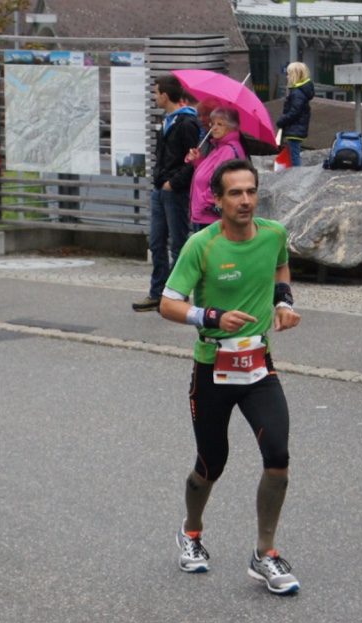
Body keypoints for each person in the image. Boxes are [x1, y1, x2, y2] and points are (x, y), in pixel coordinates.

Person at [159, 158, 302, 596]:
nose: (245, 200)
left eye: (251, 191)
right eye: (235, 193)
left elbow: (280, 268)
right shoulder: (201, 246)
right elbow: (168, 303)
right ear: (216, 200)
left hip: (258, 366)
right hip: (212, 367)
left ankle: (265, 553)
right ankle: (192, 531)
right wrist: (211, 316)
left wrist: (284, 303)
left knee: (278, 455)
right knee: (211, 462)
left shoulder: (274, 234)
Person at [132, 74, 199, 312]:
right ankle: (157, 292)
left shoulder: (187, 123)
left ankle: (175, 294)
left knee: (178, 243)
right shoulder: (167, 120)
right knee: (156, 242)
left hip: (175, 191)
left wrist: (174, 182)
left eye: (156, 93)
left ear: (165, 96)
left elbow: (194, 161)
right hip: (161, 189)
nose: (154, 97)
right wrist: (160, 181)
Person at [185, 107, 246, 232]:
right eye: (212, 123)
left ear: (232, 127)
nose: (214, 128)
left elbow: (220, 181)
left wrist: (203, 203)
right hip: (206, 216)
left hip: (210, 218)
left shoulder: (228, 150)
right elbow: (211, 172)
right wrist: (198, 159)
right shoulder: (220, 147)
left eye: (220, 124)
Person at [274, 62, 315, 168]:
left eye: (288, 74)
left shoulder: (297, 93)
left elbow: (294, 112)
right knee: (294, 153)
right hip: (296, 129)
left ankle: (297, 174)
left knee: (294, 157)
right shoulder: (300, 91)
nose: (286, 76)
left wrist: (281, 121)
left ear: (294, 75)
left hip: (295, 130)